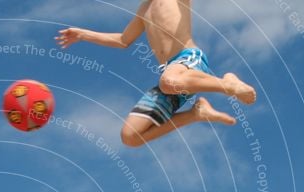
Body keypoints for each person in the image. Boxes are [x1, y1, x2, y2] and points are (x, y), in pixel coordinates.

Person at [55, 0, 257, 147]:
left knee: (168, 81)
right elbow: (123, 40)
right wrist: (83, 34)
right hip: (172, 77)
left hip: (188, 61)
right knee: (131, 136)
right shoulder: (144, 8)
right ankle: (196, 114)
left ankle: (227, 84)